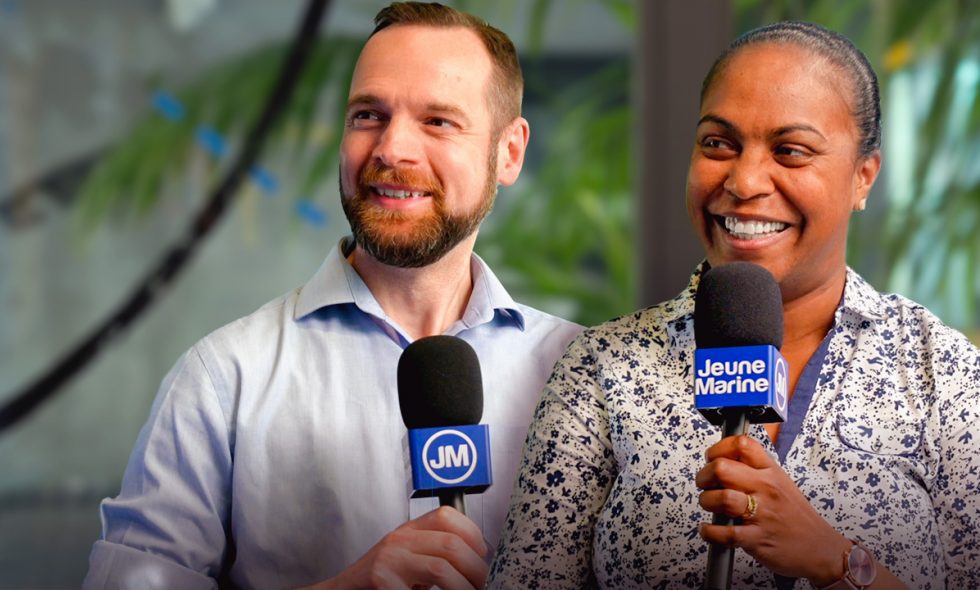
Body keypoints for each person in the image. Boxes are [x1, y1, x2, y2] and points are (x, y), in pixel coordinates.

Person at [82, 3, 582, 589]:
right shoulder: (224, 380)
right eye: (368, 115)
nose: (392, 149)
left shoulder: (581, 374)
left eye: (438, 121)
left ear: (509, 152)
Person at [488, 21, 979, 590]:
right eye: (718, 144)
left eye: (790, 151)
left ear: (863, 177)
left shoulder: (943, 373)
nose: (744, 182)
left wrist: (834, 560)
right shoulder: (603, 368)